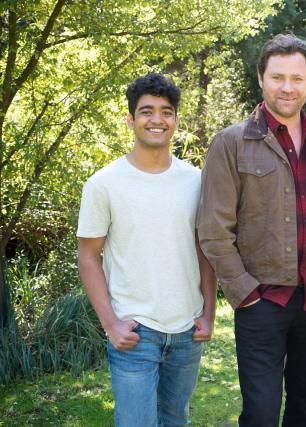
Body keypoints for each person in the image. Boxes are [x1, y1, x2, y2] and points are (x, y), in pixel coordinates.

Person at [197, 34, 306, 427]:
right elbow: (213, 228)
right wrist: (244, 293)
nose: (287, 87)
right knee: (260, 415)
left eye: (297, 78)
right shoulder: (231, 143)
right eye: (277, 77)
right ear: (261, 78)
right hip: (262, 302)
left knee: (305, 411)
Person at [77, 73, 217, 427]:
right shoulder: (103, 183)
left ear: (176, 120)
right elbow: (88, 256)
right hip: (135, 333)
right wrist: (111, 324)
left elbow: (206, 250)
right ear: (130, 119)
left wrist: (209, 313)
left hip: (187, 331)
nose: (157, 120)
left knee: (176, 421)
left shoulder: (197, 181)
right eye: (147, 111)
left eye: (166, 112)